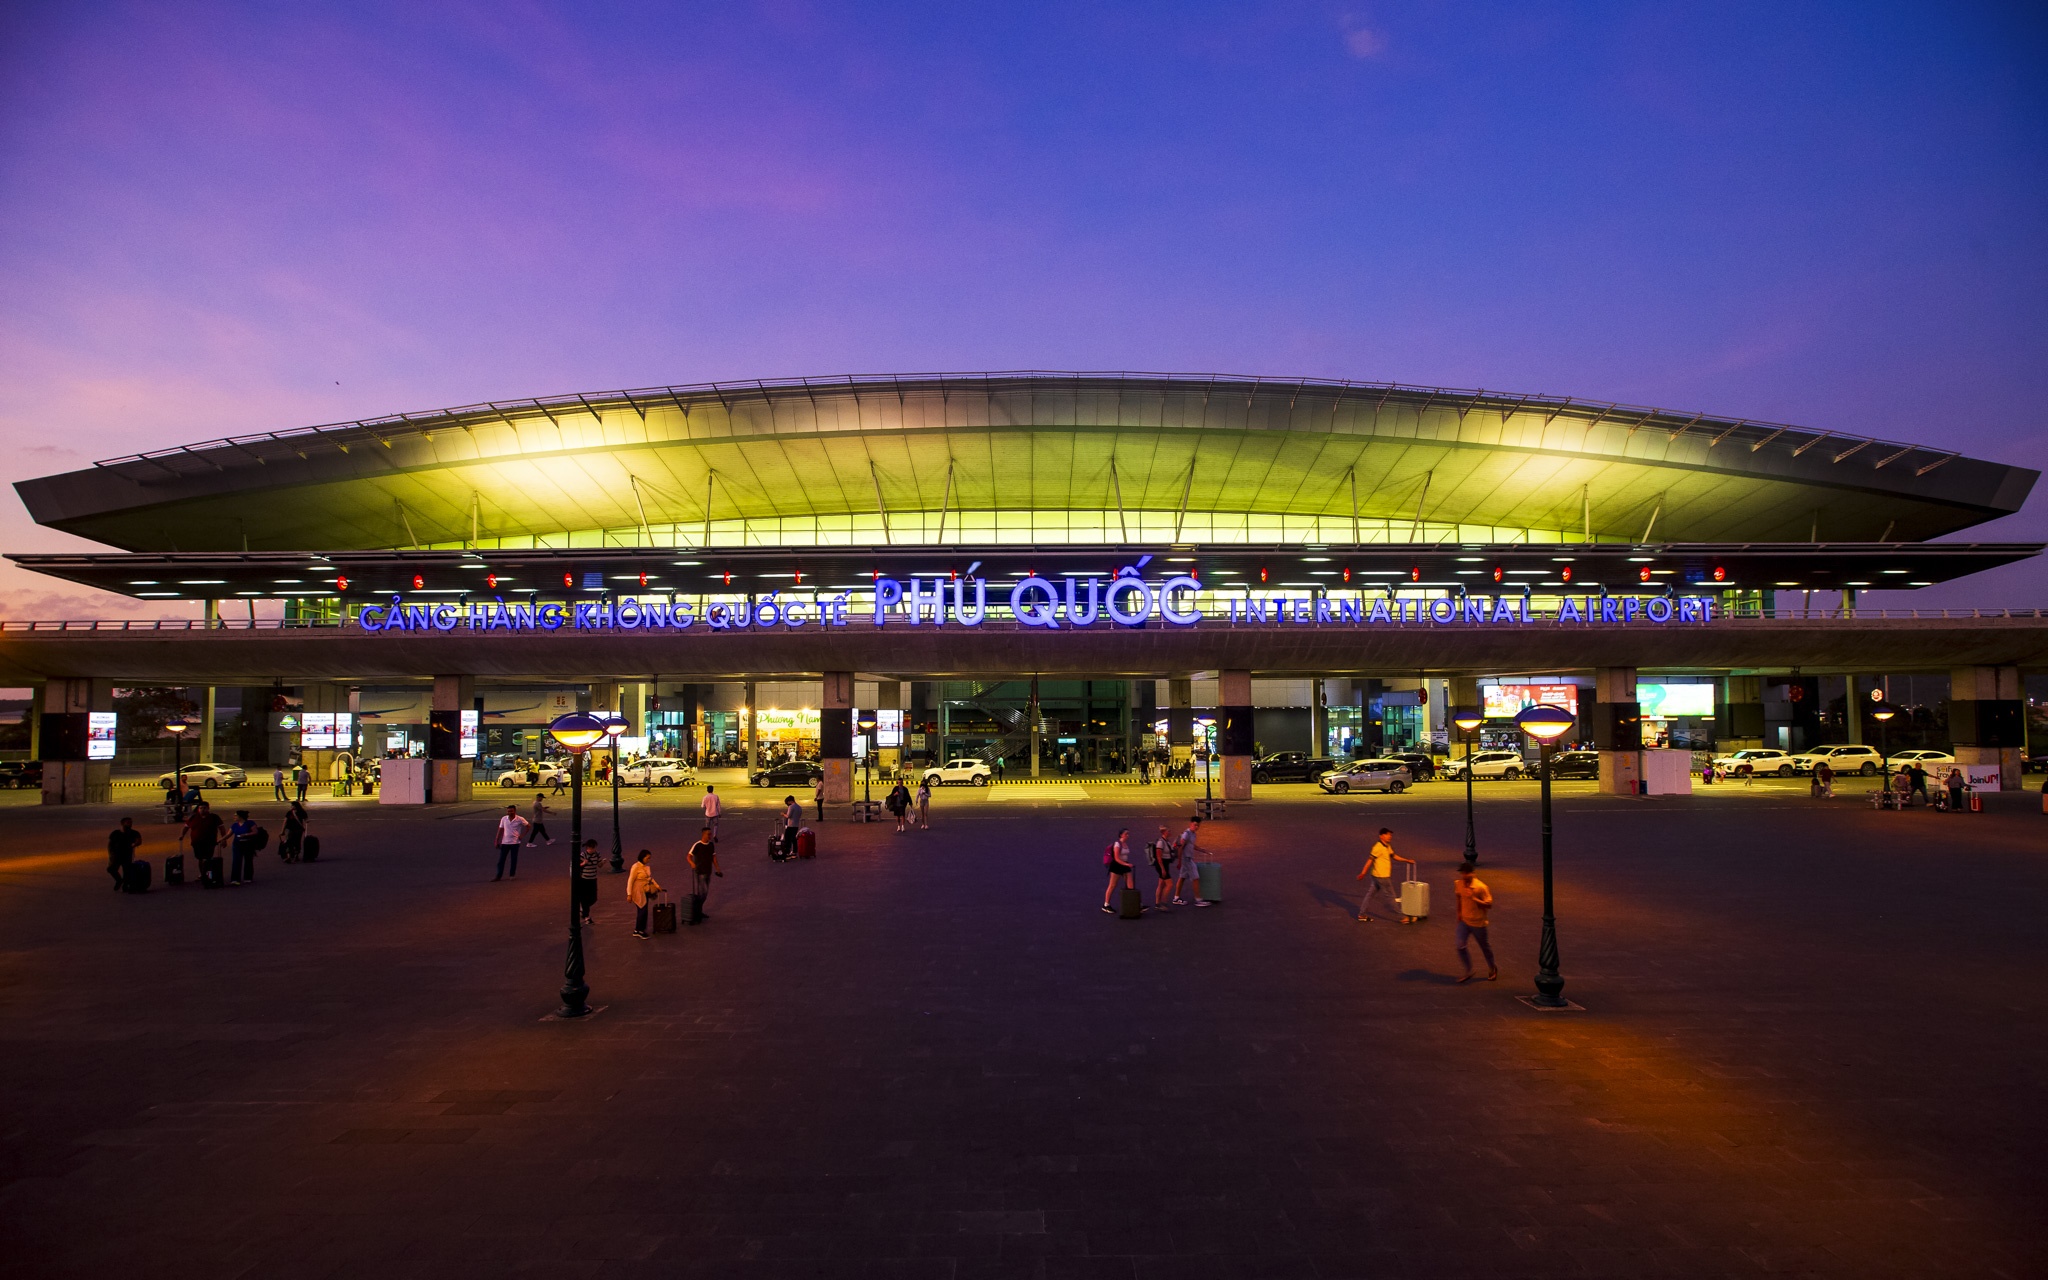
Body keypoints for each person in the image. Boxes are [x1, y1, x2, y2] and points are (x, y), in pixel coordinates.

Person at [1356, 826, 1416, 923]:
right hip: (1382, 877)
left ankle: (1361, 914)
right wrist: (1363, 873)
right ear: (1381, 836)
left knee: (1370, 895)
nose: (1390, 836)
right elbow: (1369, 861)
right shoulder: (1377, 847)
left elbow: (1393, 856)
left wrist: (1407, 860)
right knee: (1391, 897)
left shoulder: (1387, 846)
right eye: (1387, 834)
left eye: (1390, 834)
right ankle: (1403, 918)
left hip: (1376, 876)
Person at [1452, 861, 1498, 982]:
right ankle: (1469, 970)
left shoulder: (1481, 887)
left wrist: (1474, 898)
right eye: (1462, 873)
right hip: (1464, 921)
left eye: (1466, 873)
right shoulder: (1459, 884)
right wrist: (1459, 914)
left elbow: (1489, 904)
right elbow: (1458, 898)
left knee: (1484, 947)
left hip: (1478, 923)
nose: (1464, 876)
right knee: (1460, 945)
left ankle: (1492, 968)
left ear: (1472, 873)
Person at [687, 827, 720, 921]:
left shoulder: (711, 845)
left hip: (708, 871)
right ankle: (697, 911)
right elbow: (689, 856)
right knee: (703, 893)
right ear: (703, 834)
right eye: (708, 834)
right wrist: (692, 863)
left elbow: (713, 857)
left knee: (703, 893)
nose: (710, 836)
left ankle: (698, 911)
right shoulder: (697, 845)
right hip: (700, 872)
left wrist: (717, 868)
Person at [627, 849, 662, 938]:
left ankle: (638, 929)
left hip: (645, 890)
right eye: (647, 858)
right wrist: (629, 894)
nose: (648, 860)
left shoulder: (646, 867)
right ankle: (640, 930)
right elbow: (630, 881)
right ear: (642, 857)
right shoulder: (635, 867)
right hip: (638, 891)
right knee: (642, 910)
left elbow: (649, 878)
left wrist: (657, 886)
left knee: (643, 910)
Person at [1173, 815, 1206, 907]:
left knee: (1182, 878)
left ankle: (1176, 898)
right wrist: (1179, 861)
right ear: (1191, 824)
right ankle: (1198, 900)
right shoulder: (1186, 834)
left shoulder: (1193, 834)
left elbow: (1191, 845)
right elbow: (1180, 847)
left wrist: (1201, 850)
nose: (1196, 827)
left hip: (1187, 858)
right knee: (1195, 878)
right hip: (1186, 859)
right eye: (1195, 825)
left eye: (1198, 826)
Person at [1100, 827, 1135, 913]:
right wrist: (1127, 864)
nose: (1128, 835)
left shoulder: (1125, 844)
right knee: (1112, 885)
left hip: (1125, 865)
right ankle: (1106, 904)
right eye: (1126, 834)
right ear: (1121, 835)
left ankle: (1134, 903)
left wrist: (1126, 864)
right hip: (1117, 866)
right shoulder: (1117, 844)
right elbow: (1116, 858)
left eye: (1128, 834)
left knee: (1130, 885)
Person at [492, 805, 528, 880]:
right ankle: (498, 876)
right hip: (505, 842)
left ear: (515, 811)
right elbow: (500, 829)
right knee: (501, 860)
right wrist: (497, 840)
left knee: (513, 859)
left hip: (515, 843)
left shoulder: (520, 819)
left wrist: (522, 835)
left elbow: (528, 826)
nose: (509, 813)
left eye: (511, 811)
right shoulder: (504, 819)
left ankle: (512, 875)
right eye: (508, 811)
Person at [107, 816, 141, 890]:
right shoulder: (115, 833)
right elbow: (110, 844)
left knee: (126, 870)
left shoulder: (134, 833)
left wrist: (135, 844)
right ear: (122, 823)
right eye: (128, 823)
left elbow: (139, 841)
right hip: (116, 854)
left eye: (131, 823)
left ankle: (125, 885)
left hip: (127, 854)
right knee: (111, 869)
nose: (130, 824)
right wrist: (111, 854)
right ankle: (119, 880)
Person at [226, 809, 258, 886]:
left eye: (235, 815)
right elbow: (228, 834)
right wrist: (221, 840)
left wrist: (246, 834)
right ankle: (235, 879)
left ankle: (248, 877)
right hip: (237, 844)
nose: (234, 817)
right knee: (236, 861)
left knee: (248, 860)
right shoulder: (234, 825)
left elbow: (255, 832)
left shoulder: (250, 823)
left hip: (247, 844)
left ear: (240, 816)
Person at [1148, 825, 1176, 909]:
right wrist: (1163, 869)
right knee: (1169, 884)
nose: (1170, 832)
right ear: (1164, 832)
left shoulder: (1166, 842)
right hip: (1162, 865)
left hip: (1164, 865)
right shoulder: (1161, 842)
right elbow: (1158, 857)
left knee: (1161, 884)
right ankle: (1163, 903)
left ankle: (1157, 903)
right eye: (1168, 831)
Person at [575, 839, 602, 924]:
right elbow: (576, 866)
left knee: (593, 898)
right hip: (584, 880)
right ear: (587, 848)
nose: (592, 850)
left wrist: (602, 863)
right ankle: (587, 916)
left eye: (593, 848)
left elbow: (599, 865)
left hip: (593, 879)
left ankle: (583, 908)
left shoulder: (597, 854)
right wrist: (583, 863)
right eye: (591, 848)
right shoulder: (583, 855)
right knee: (585, 898)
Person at [780, 794, 802, 860]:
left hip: (790, 825)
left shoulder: (791, 807)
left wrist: (783, 814)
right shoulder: (799, 807)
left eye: (787, 803)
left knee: (787, 838)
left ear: (790, 801)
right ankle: (795, 851)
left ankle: (787, 851)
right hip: (796, 824)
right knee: (794, 838)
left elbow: (788, 816)